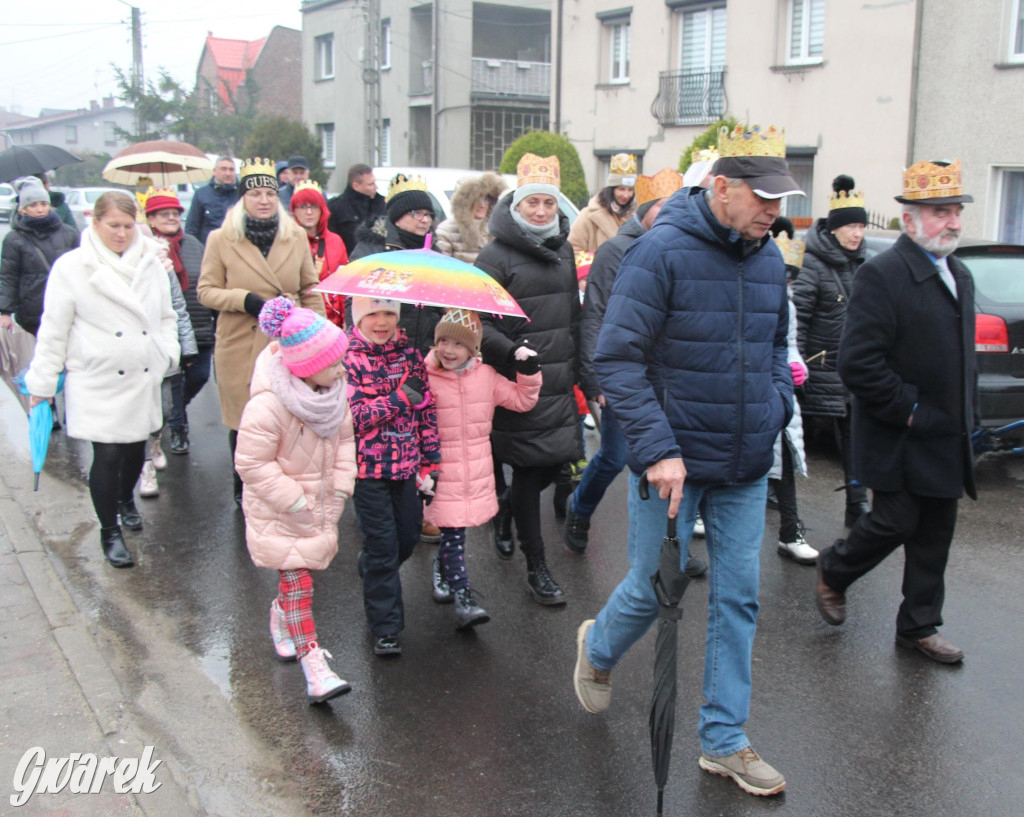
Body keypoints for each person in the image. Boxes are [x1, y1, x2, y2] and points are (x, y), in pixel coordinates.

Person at [573, 124, 802, 797]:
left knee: (739, 596)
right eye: (762, 196)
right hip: (670, 463)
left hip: (743, 460)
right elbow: (616, 357)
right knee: (651, 587)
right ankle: (598, 647)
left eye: (779, 198)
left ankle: (724, 739)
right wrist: (658, 448)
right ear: (721, 187)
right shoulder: (660, 251)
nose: (773, 211)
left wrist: (775, 405)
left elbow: (774, 350)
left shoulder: (766, 259)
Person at [816, 159, 978, 665]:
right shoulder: (882, 275)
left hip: (946, 435)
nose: (951, 221)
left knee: (935, 533)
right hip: (899, 433)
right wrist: (910, 411)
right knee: (894, 521)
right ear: (909, 219)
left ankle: (918, 626)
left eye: (955, 211)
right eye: (939, 212)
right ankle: (833, 572)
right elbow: (857, 364)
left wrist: (963, 417)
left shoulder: (960, 273)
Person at [24, 191, 180, 568]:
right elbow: (54, 330)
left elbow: (165, 316)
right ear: (95, 223)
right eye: (113, 226)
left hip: (142, 374)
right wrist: (41, 386)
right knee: (108, 454)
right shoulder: (72, 267)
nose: (122, 234)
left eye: (128, 226)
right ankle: (109, 531)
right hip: (96, 378)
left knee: (133, 454)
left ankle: (125, 499)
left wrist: (166, 354)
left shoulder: (151, 263)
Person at [565, 168, 697, 557]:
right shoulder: (615, 251)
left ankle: (673, 546)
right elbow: (595, 316)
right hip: (625, 374)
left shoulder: (680, 246)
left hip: (669, 377)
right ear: (650, 209)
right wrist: (596, 381)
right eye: (668, 207)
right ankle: (580, 508)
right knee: (615, 456)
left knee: (668, 459)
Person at [234, 297, 356, 703]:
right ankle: (314, 668)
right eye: (335, 362)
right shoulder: (267, 407)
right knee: (299, 582)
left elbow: (345, 446)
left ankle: (281, 615)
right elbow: (251, 464)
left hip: (321, 507)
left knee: (299, 580)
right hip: (280, 511)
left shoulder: (335, 396)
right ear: (307, 366)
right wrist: (294, 501)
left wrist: (340, 488)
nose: (343, 369)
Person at [476, 153, 580, 605]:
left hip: (558, 379)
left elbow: (573, 317)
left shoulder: (565, 248)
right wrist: (513, 353)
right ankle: (536, 564)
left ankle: (505, 514)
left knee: (552, 466)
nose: (541, 211)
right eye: (532, 203)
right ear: (515, 206)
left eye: (548, 203)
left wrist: (581, 372)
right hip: (516, 378)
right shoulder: (494, 255)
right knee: (528, 466)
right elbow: (480, 324)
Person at [197, 158, 323, 507]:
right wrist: (246, 300)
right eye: (255, 193)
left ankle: (282, 482)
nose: (264, 200)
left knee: (286, 416)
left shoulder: (295, 235)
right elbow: (206, 291)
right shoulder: (221, 239)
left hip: (287, 343)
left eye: (269, 192)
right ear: (243, 199)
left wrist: (319, 334)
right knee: (244, 420)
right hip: (240, 343)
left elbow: (310, 288)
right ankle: (246, 485)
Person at [423, 307, 541, 629]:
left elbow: (521, 400)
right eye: (443, 341)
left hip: (474, 470)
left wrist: (529, 371)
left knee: (456, 528)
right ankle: (464, 598)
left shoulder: (485, 377)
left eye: (458, 344)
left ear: (473, 349)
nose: (448, 349)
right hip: (438, 471)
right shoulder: (423, 378)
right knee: (454, 531)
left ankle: (441, 568)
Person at [348, 173, 446, 544]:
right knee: (378, 429)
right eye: (417, 213)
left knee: (416, 432)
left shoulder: (432, 254)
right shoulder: (372, 252)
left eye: (429, 213)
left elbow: (439, 304)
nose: (425, 219)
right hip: (379, 354)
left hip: (420, 354)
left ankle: (416, 509)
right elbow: (355, 306)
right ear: (398, 216)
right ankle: (372, 511)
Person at [345, 296, 440, 656]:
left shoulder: (412, 357)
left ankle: (370, 566)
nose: (381, 321)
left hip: (407, 468)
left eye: (388, 313)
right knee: (383, 548)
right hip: (368, 471)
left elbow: (426, 412)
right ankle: (386, 627)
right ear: (359, 318)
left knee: (407, 535)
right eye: (372, 314)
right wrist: (400, 398)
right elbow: (353, 418)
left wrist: (431, 456)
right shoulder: (349, 359)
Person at [791, 175, 870, 528]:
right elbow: (800, 318)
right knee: (794, 437)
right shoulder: (813, 265)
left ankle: (858, 502)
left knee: (855, 439)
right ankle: (784, 511)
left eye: (862, 226)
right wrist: (797, 366)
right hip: (816, 369)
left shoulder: (863, 265)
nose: (857, 233)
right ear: (834, 229)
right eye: (851, 226)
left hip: (852, 370)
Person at [137, 187, 200, 497]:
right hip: (135, 351)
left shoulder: (175, 257)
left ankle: (158, 437)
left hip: (169, 344)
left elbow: (178, 307)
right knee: (141, 410)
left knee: (164, 406)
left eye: (176, 212)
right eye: (164, 214)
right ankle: (146, 466)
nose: (172, 218)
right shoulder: (135, 260)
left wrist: (184, 345)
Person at [769, 231, 816, 564]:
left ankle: (790, 531)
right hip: (742, 395)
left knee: (783, 458)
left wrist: (798, 367)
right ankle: (696, 515)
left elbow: (791, 346)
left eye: (790, 278)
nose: (784, 283)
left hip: (778, 394)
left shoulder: (788, 304)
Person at [0, 182, 80, 336]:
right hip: (32, 313)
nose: (40, 209)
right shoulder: (14, 239)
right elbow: (9, 277)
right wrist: (5, 312)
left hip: (66, 307)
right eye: (33, 205)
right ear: (23, 209)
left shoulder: (69, 234)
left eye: (44, 204)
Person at [288, 179, 349, 328]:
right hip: (300, 321)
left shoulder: (336, 241)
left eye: (314, 207)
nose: (309, 212)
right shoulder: (287, 242)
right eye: (303, 207)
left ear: (322, 209)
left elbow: (344, 283)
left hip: (333, 322)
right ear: (294, 211)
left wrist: (346, 320)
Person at [568, 153, 637, 253]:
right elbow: (573, 249)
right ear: (611, 189)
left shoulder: (637, 217)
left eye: (630, 190)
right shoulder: (588, 215)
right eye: (621, 189)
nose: (626, 195)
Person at [434, 171, 507, 264]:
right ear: (464, 202)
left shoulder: (495, 230)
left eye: (487, 199)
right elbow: (441, 268)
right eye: (476, 199)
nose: (482, 205)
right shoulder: (446, 231)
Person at [328, 164, 388, 256]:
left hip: (379, 261)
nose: (376, 187)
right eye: (370, 184)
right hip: (349, 262)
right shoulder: (336, 207)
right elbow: (331, 242)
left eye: (374, 183)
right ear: (356, 186)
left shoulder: (382, 204)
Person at [185, 156, 239, 245]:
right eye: (223, 169)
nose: (228, 173)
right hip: (208, 250)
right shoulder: (201, 195)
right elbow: (192, 228)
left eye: (231, 170)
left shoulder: (242, 194)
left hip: (236, 249)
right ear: (214, 171)